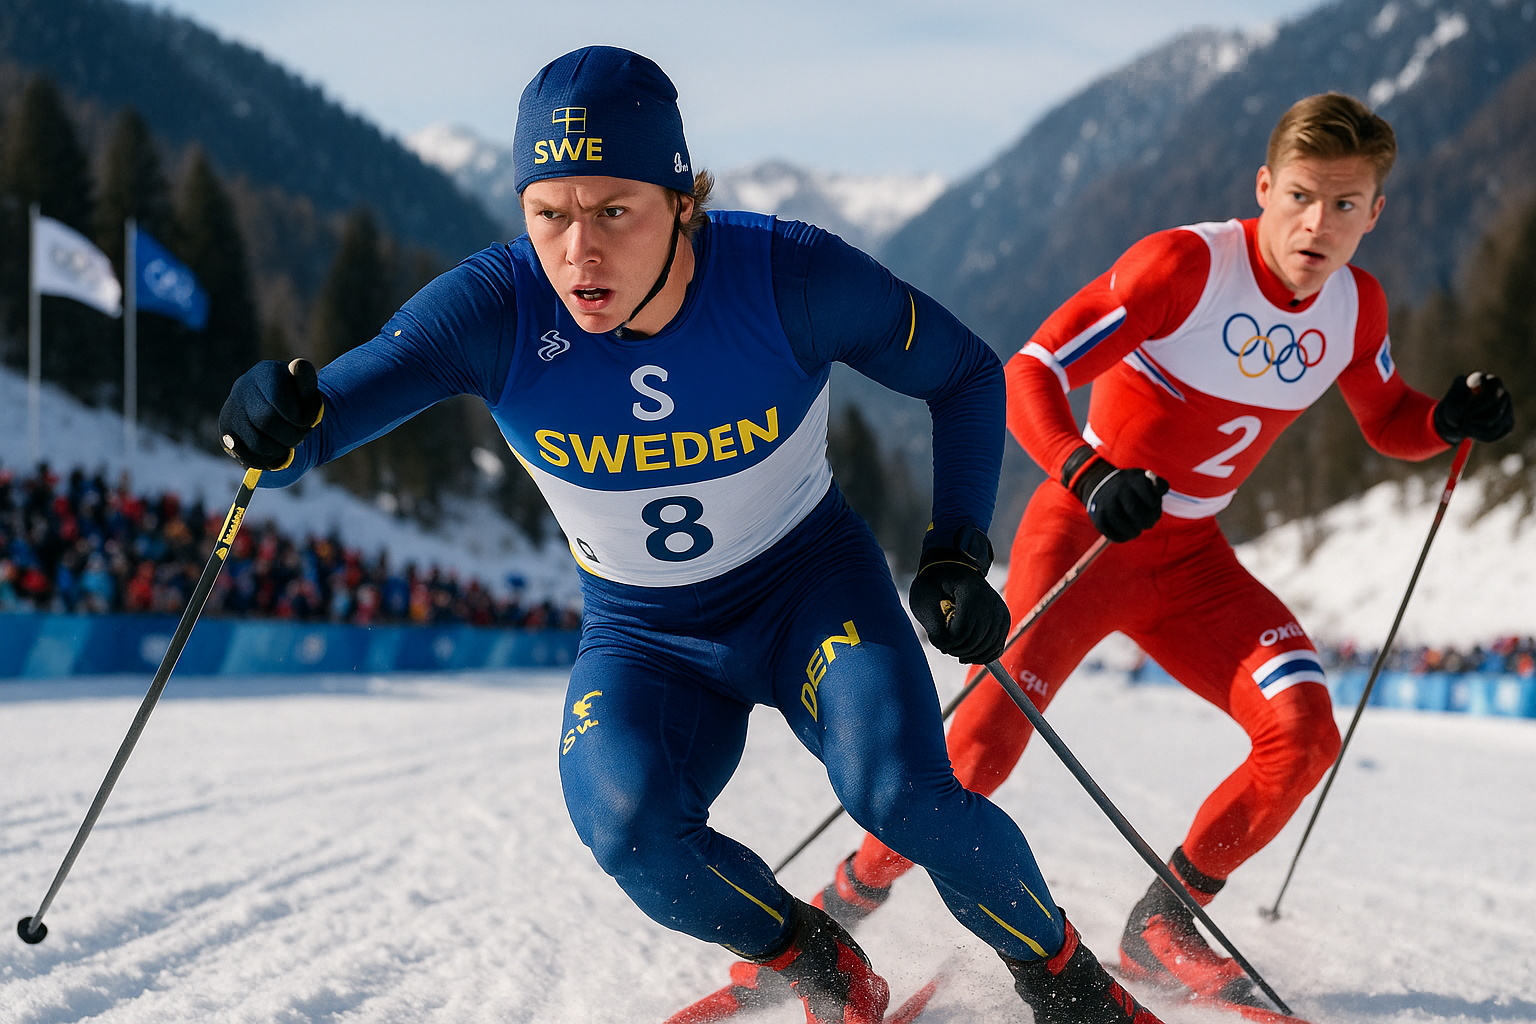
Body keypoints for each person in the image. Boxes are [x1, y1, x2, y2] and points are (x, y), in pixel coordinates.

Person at [217, 46, 1168, 1024]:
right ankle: (816, 957)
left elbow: (968, 373)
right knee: (629, 828)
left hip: (811, 592)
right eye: (549, 214)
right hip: (644, 632)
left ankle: (1069, 985)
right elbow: (314, 423)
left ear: (681, 200)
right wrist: (268, 421)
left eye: (612, 211)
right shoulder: (494, 307)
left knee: (903, 793)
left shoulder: (787, 275)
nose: (579, 252)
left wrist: (955, 551)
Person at [771, 92, 1516, 1014]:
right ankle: (848, 899)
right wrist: (1086, 473)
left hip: (1192, 559)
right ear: (1264, 188)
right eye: (1300, 197)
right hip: (1083, 535)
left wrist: (1447, 419)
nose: (1318, 224)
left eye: (1346, 204)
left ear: (1376, 211)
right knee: (979, 753)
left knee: (1305, 732)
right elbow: (1030, 370)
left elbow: (1390, 418)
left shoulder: (1356, 308)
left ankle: (1165, 921)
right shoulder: (1185, 267)